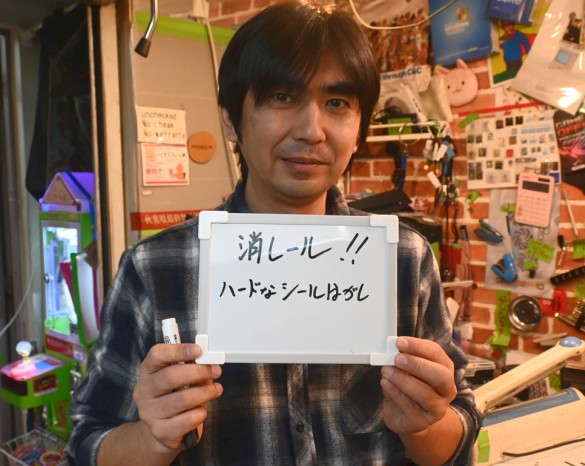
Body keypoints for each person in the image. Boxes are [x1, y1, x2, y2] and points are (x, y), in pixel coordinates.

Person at [66, 3, 482, 465]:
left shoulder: (402, 259)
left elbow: (459, 429)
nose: (311, 131)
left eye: (337, 103)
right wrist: (154, 438)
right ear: (230, 119)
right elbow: (87, 444)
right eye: (282, 97)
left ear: (360, 127)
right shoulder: (154, 268)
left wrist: (426, 426)